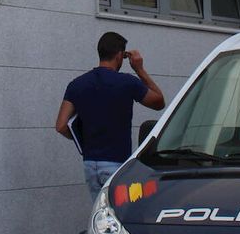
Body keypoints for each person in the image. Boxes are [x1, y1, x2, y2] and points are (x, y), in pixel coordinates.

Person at [56, 31, 165, 198]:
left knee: (100, 214)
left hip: (90, 163)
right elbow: (159, 102)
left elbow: (61, 126)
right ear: (120, 55)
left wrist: (84, 139)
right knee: (119, 214)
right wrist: (140, 69)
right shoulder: (127, 82)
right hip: (116, 162)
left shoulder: (77, 84)